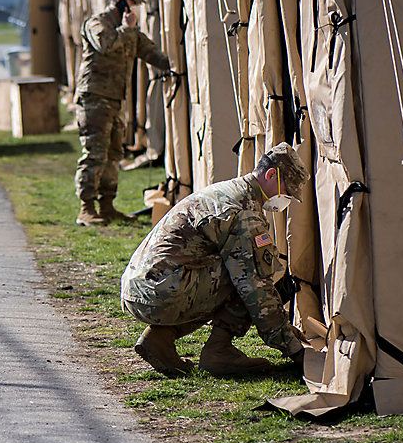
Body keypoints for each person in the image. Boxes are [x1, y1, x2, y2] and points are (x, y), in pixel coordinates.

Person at [120, 142, 310, 377]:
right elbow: (256, 287)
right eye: (287, 190)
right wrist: (294, 349)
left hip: (140, 288)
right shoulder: (244, 212)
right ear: (271, 175)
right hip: (162, 291)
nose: (285, 198)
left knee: (237, 268)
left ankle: (159, 340)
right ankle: (219, 351)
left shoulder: (228, 191)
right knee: (249, 275)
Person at [73, 0, 171, 226]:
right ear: (120, 1)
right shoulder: (97, 23)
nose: (135, 8)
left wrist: (177, 66)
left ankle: (107, 206)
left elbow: (150, 52)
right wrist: (127, 29)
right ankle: (86, 208)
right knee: (95, 153)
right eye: (132, 3)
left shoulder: (130, 31)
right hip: (94, 99)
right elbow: (105, 45)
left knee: (114, 154)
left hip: (116, 101)